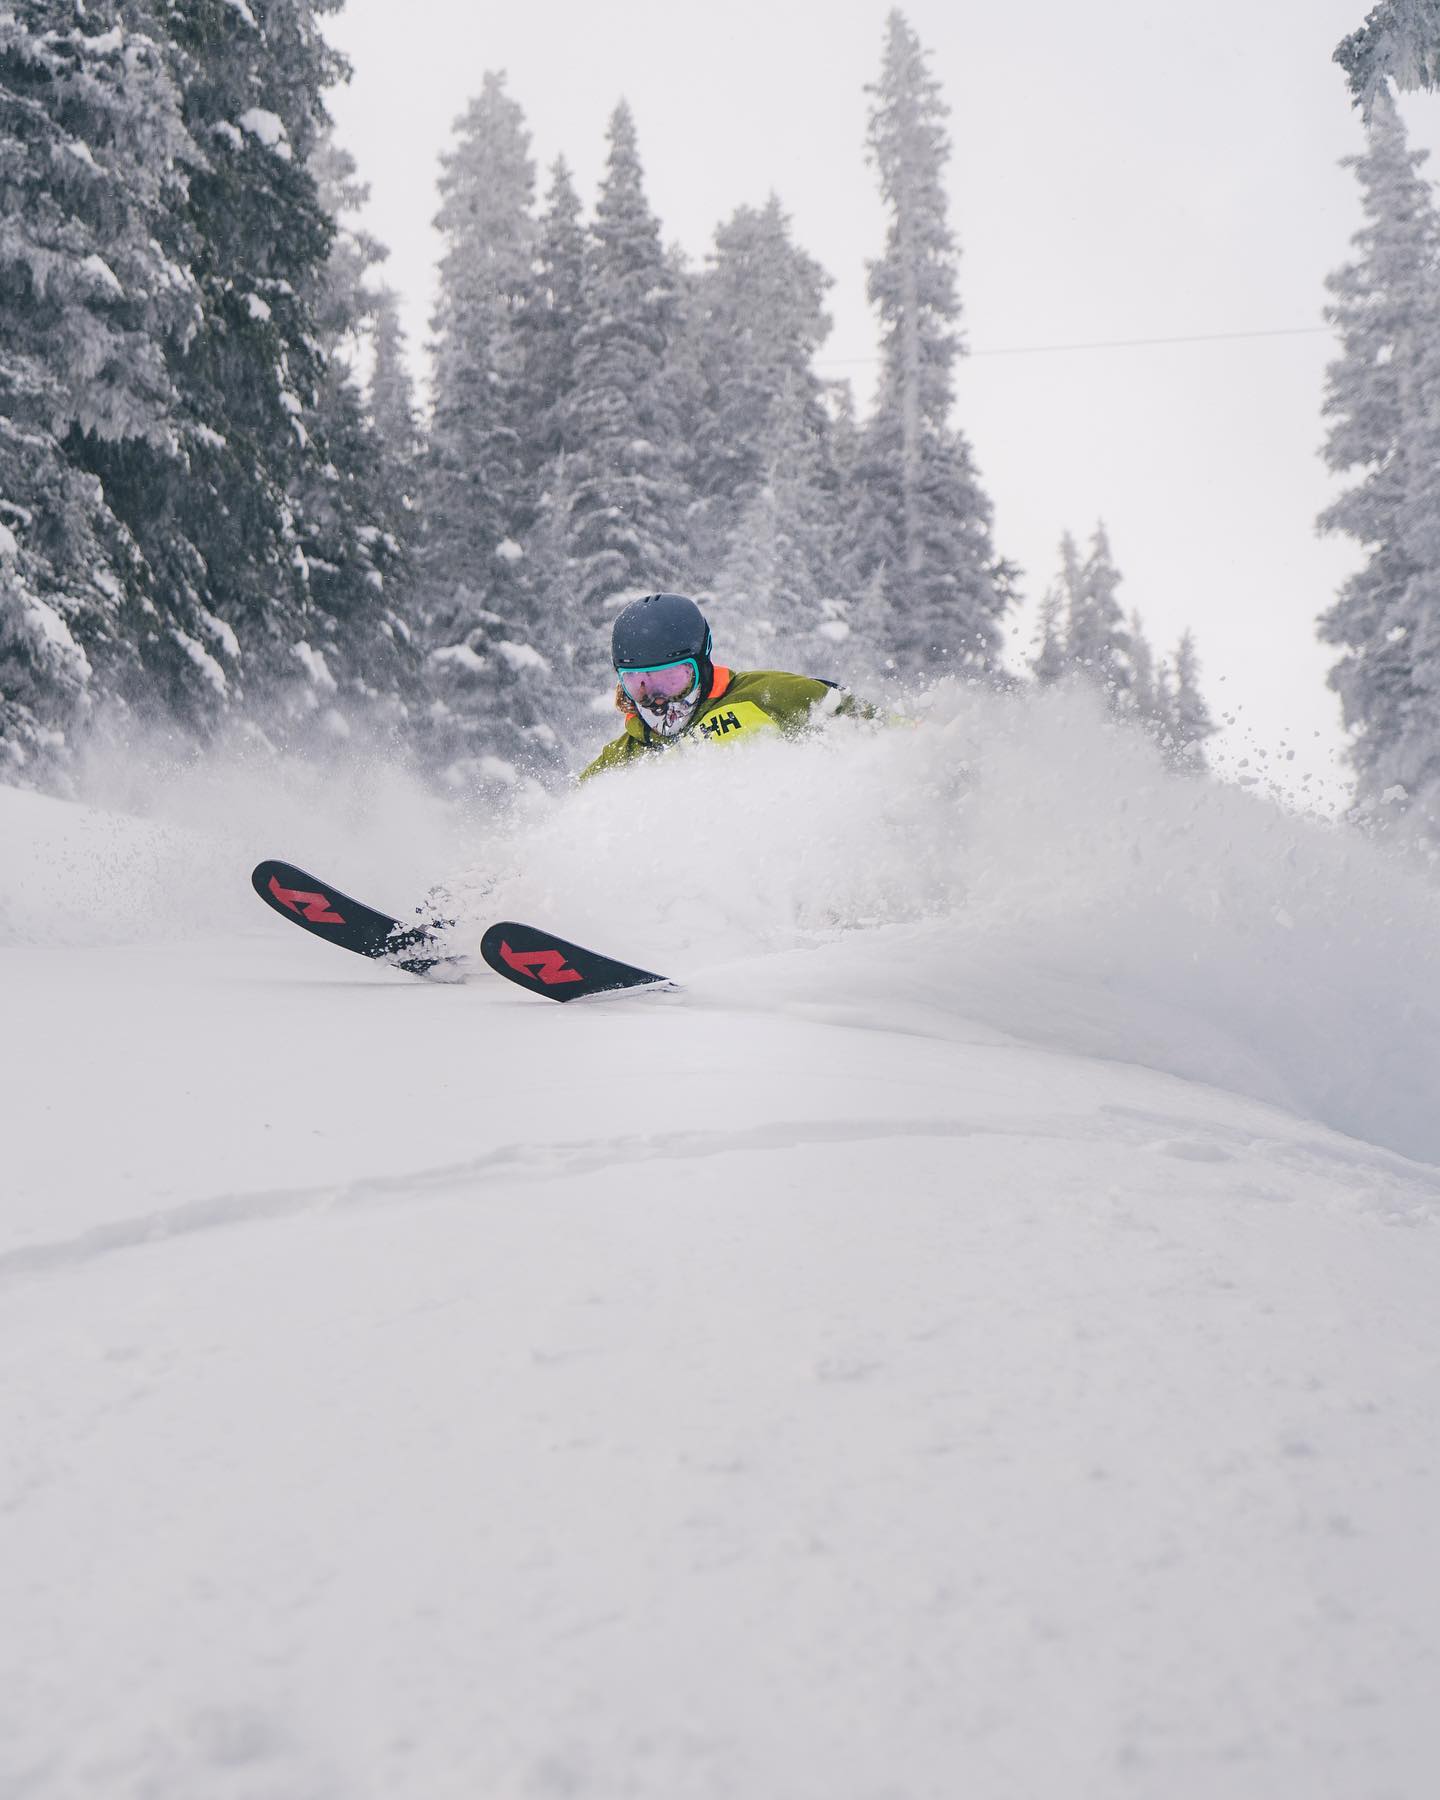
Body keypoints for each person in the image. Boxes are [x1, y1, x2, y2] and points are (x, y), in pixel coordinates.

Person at [579, 593, 873, 780]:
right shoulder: (618, 765)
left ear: (703, 660)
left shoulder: (767, 696)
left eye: (673, 681)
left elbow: (884, 734)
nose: (658, 701)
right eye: (639, 684)